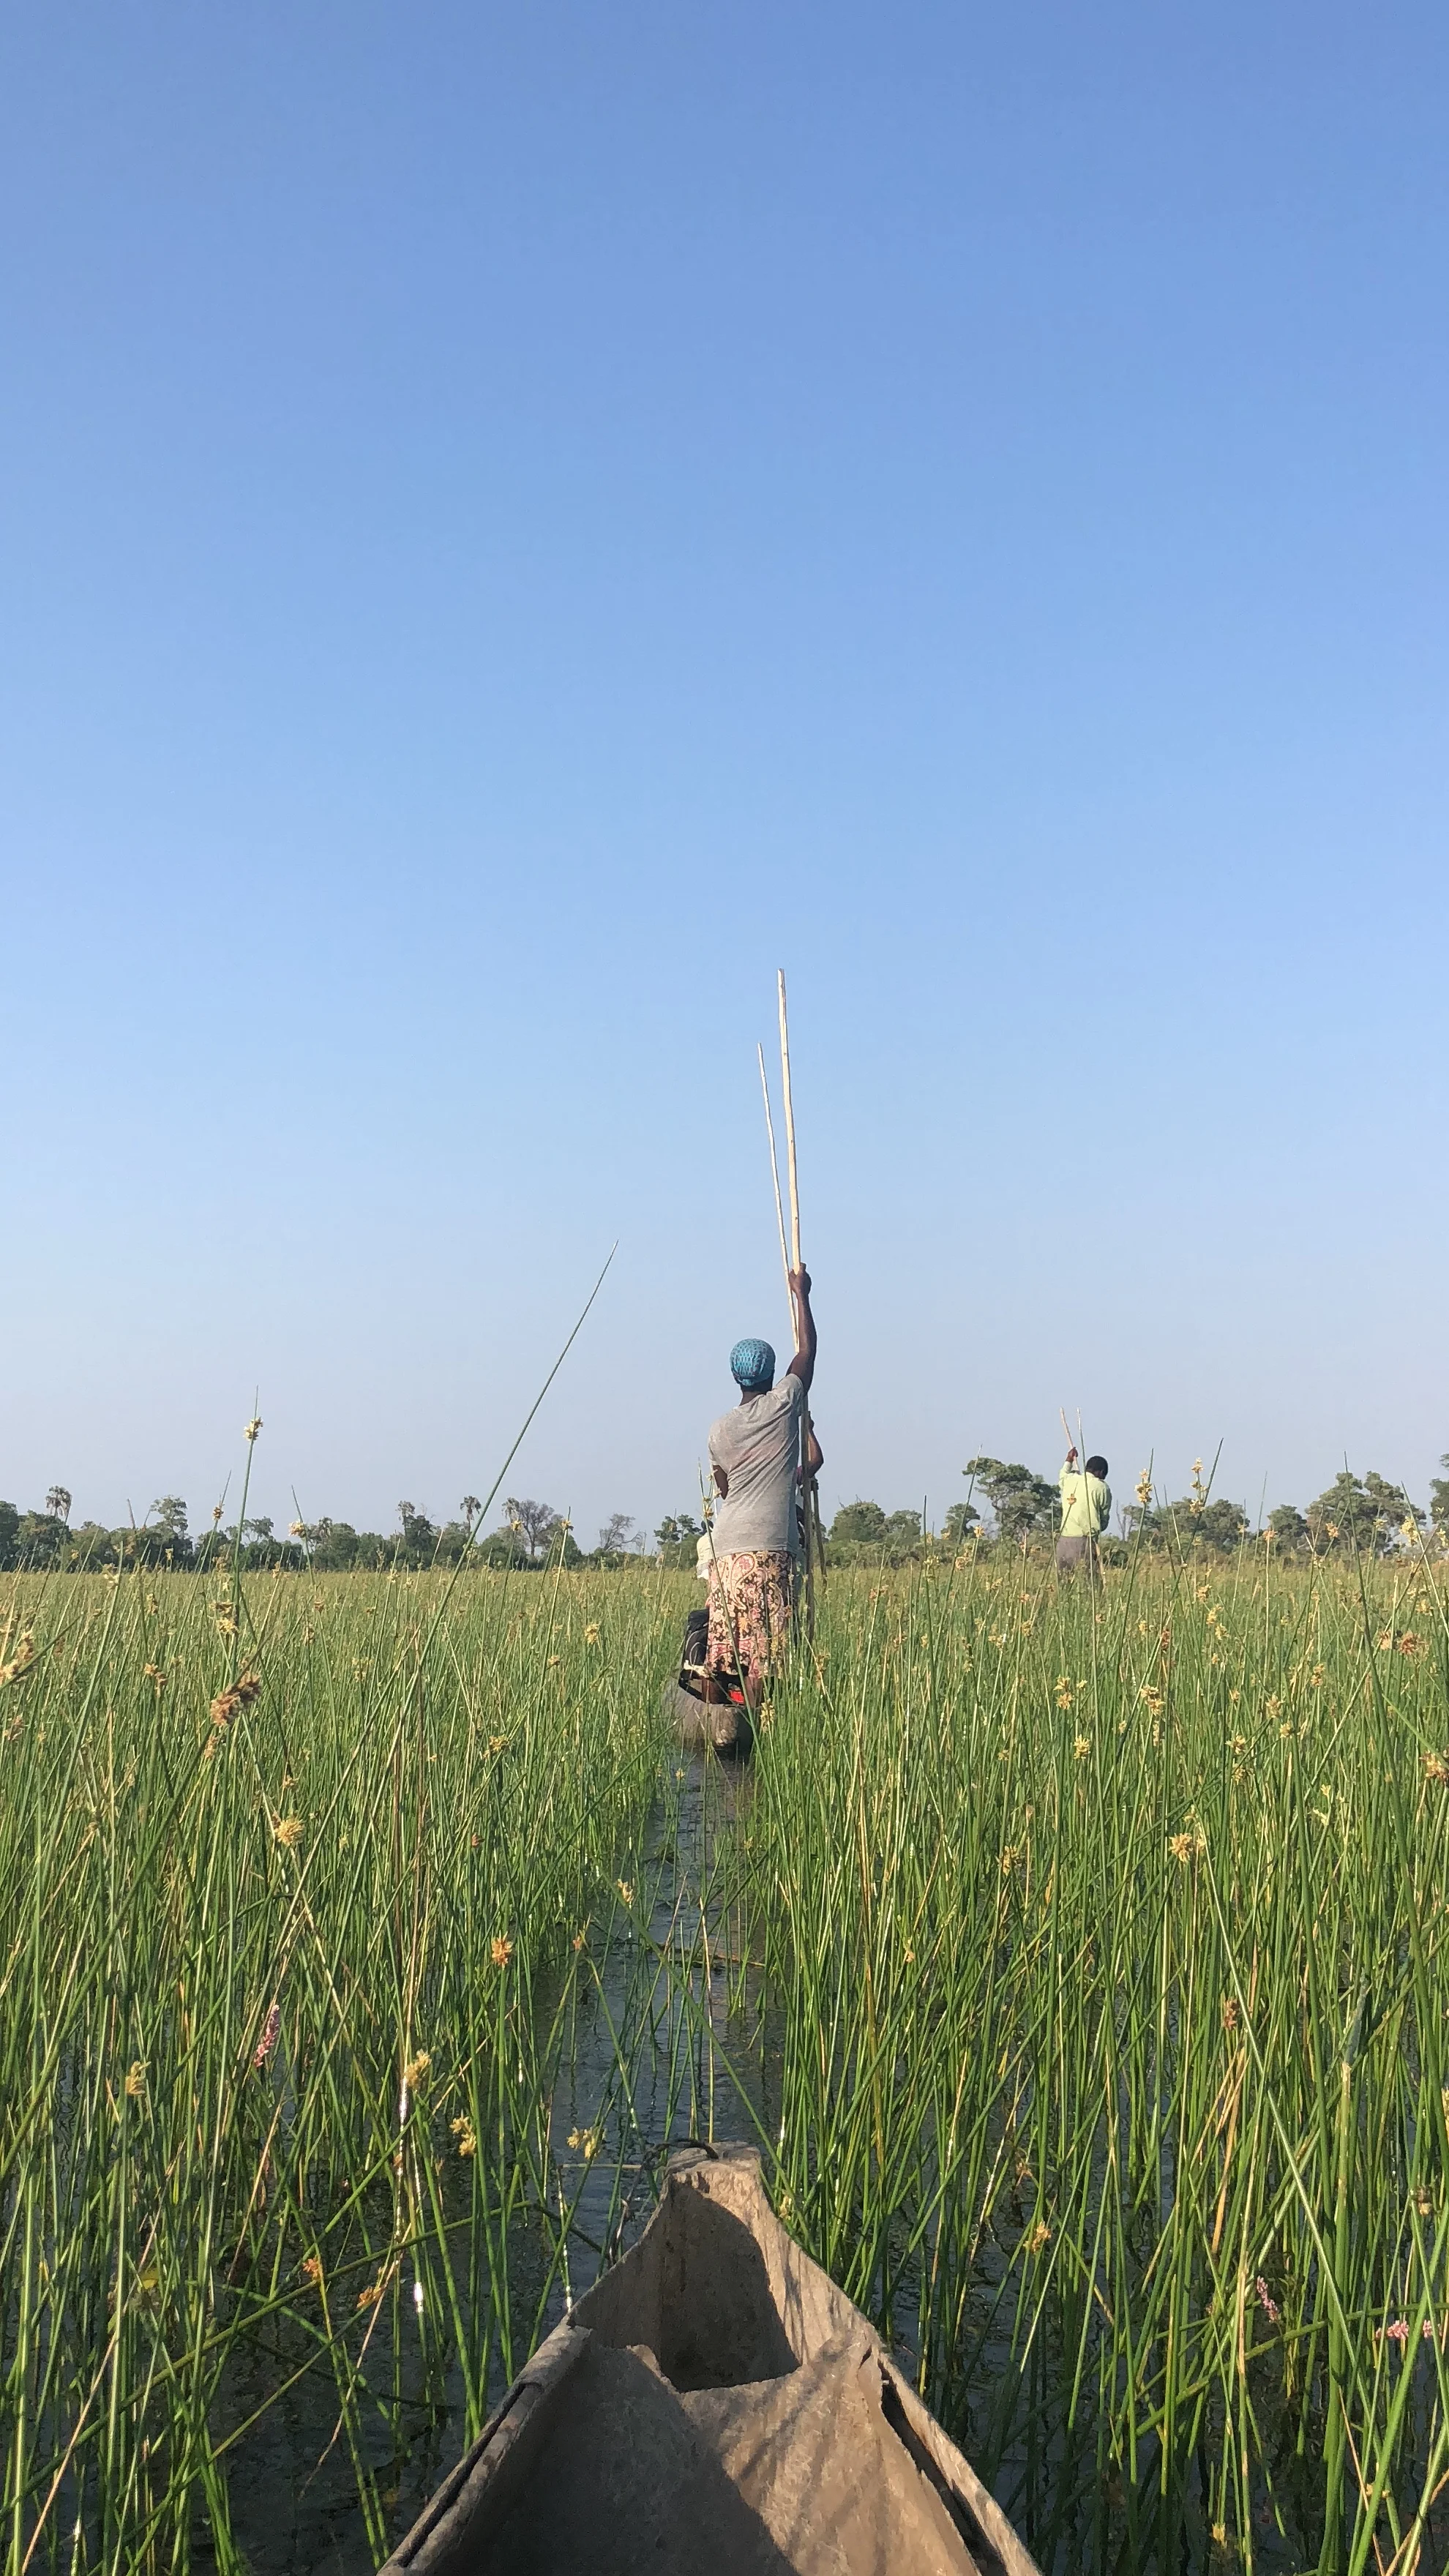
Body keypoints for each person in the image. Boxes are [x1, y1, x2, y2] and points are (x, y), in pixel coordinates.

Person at [704, 1268, 822, 1710]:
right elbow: (807, 1354)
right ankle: (753, 1732)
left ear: (736, 1377)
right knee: (761, 1654)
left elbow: (724, 1486)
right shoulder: (784, 1403)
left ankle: (719, 1727)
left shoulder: (719, 1430)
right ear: (770, 1375)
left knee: (724, 1646)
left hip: (726, 1545)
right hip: (769, 1545)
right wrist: (802, 1296)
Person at [1057, 1445, 1111, 1580]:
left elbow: (1062, 1475)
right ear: (1101, 1472)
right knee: (1091, 1585)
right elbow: (1104, 1517)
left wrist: (1068, 1460)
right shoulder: (1101, 1487)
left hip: (1063, 1541)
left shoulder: (1070, 1480)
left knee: (1064, 1583)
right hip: (1085, 1541)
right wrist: (1099, 1528)